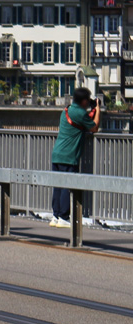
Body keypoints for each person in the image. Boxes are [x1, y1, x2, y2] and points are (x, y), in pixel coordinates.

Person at [49, 87, 100, 228]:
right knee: (67, 186)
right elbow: (94, 127)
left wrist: (91, 110)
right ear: (84, 101)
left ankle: (56, 216)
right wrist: (98, 109)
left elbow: (82, 122)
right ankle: (64, 218)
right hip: (69, 156)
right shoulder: (80, 112)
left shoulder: (67, 109)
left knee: (58, 186)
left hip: (57, 154)